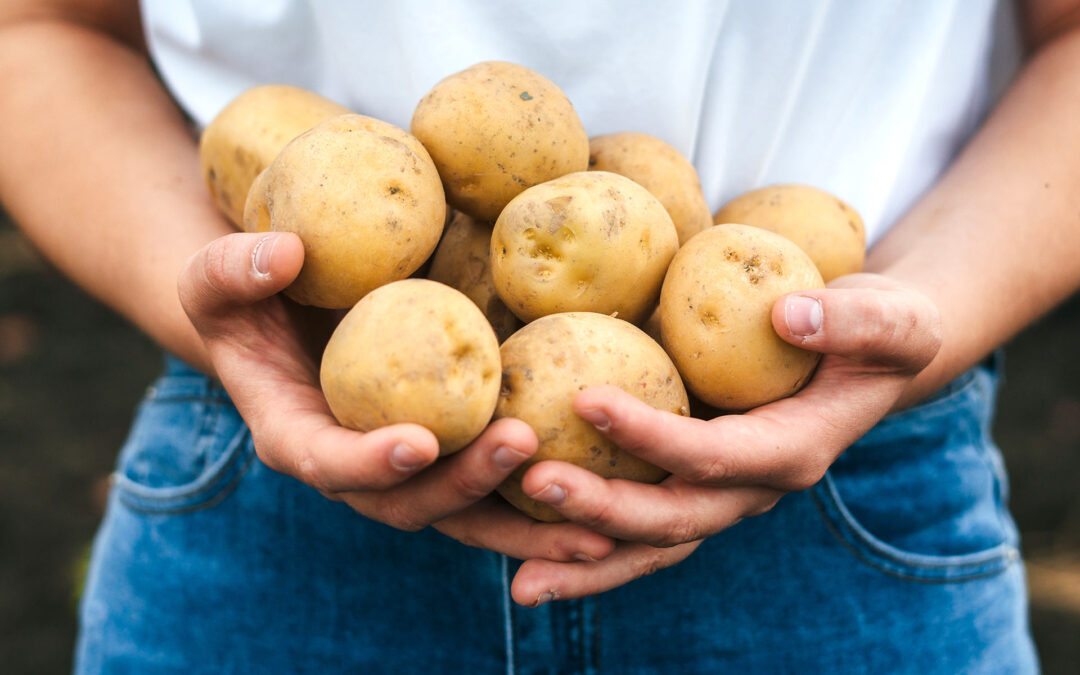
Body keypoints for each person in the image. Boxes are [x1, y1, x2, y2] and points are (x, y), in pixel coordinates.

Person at [1, 0, 1078, 671]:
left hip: (848, 460)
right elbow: (37, 27)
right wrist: (222, 315)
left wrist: (924, 309)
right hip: (278, 441)